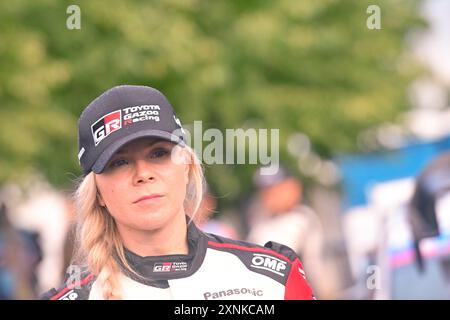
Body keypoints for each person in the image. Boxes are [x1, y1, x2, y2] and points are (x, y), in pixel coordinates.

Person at [41, 85, 314, 300]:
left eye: (158, 153)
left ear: (186, 167)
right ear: (97, 192)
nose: (143, 174)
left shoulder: (271, 280)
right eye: (119, 162)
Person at [246, 165, 326, 298]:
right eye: (265, 190)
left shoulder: (302, 219)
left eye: (275, 188)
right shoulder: (259, 224)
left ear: (293, 187)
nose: (269, 195)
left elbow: (310, 270)